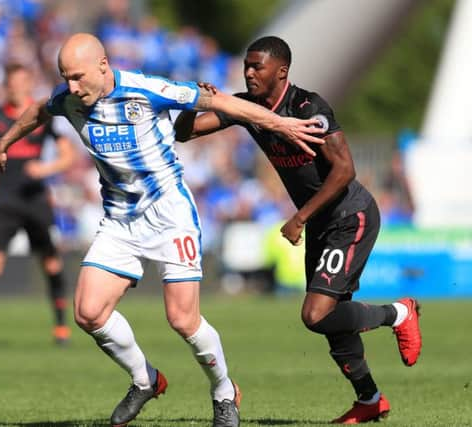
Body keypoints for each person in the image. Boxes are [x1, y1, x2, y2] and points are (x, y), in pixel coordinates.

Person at [0, 33, 324, 427]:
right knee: (88, 313)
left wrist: (280, 124)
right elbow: (35, 113)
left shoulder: (147, 90)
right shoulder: (68, 99)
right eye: (65, 78)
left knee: (182, 320)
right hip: (120, 219)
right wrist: (2, 145)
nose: (72, 87)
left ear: (103, 65)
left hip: (169, 215)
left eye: (78, 77)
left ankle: (224, 391)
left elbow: (222, 103)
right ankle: (145, 379)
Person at [174, 36, 423, 424]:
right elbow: (184, 133)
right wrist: (194, 104)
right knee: (330, 319)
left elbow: (345, 170)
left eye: (257, 66)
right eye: (246, 65)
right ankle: (370, 399)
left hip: (350, 216)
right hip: (322, 221)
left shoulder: (309, 107)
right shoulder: (248, 106)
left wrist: (300, 217)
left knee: (315, 314)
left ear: (282, 71)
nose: (249, 72)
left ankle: (399, 313)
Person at [0, 63, 76, 351]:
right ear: (6, 86)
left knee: (51, 262)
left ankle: (60, 327)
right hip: (6, 199)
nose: (16, 87)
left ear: (29, 83)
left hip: (35, 199)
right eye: (12, 82)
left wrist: (44, 170)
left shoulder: (44, 115)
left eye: (22, 81)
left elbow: (67, 156)